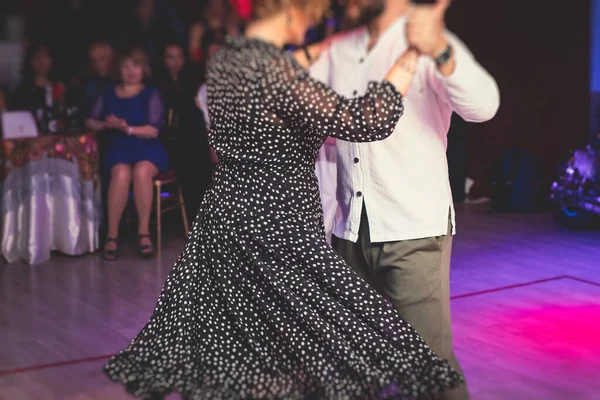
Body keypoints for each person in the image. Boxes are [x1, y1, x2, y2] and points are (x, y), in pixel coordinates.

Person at [103, 0, 463, 398]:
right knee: (362, 349)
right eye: (310, 16)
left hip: (224, 225)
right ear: (292, 11)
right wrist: (414, 51)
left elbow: (287, 68)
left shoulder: (227, 60)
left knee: (239, 358)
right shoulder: (278, 74)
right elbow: (367, 119)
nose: (310, 26)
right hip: (276, 234)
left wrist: (334, 42)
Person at [310, 0, 500, 399]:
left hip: (412, 227)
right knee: (348, 362)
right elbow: (317, 123)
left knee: (429, 368)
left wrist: (442, 52)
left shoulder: (427, 39)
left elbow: (484, 107)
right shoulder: (339, 48)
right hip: (349, 225)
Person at [85, 47, 168, 260]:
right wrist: (106, 124)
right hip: (119, 146)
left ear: (143, 69)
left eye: (136, 66)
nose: (131, 71)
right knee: (120, 174)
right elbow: (89, 121)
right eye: (126, 66)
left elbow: (154, 130)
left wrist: (127, 128)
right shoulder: (108, 93)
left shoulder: (151, 94)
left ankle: (144, 233)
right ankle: (112, 235)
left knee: (141, 173)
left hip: (146, 145)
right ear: (119, 70)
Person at [157, 42, 213, 222]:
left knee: (194, 122)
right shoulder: (159, 84)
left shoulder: (191, 79)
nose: (175, 62)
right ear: (164, 60)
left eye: (179, 57)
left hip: (193, 141)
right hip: (168, 141)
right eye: (170, 57)